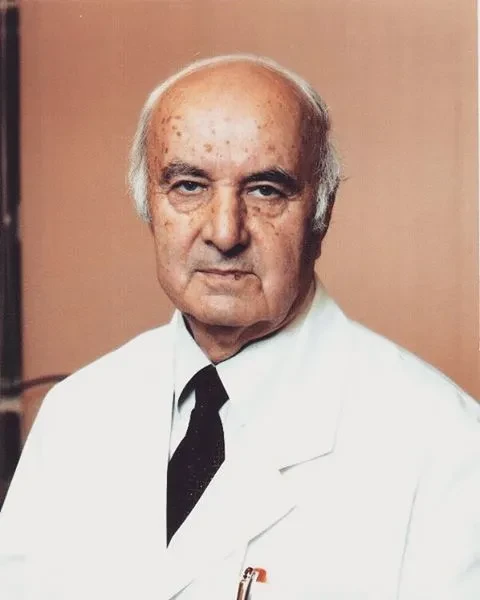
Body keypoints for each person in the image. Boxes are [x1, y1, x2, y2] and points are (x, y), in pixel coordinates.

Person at [0, 53, 479, 600]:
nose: (225, 233)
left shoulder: (446, 445)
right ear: (148, 207)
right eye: (189, 186)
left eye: (265, 190)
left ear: (321, 214)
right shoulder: (76, 413)